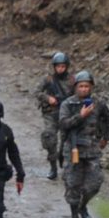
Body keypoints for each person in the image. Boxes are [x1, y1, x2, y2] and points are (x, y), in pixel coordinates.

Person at [58, 70, 109, 218]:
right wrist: (80, 116)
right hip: (73, 149)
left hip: (92, 149)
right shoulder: (68, 104)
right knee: (72, 183)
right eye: (81, 86)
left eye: (86, 86)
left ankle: (83, 206)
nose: (84, 89)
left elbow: (107, 119)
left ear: (91, 87)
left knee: (95, 183)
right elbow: (63, 124)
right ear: (76, 87)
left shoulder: (98, 104)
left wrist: (106, 137)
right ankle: (74, 215)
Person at [35, 52, 75, 180]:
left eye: (63, 66)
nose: (60, 69)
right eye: (58, 66)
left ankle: (65, 163)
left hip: (66, 115)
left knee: (66, 142)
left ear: (67, 67)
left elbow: (79, 95)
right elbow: (37, 92)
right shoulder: (49, 80)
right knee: (49, 138)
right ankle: (53, 167)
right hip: (51, 113)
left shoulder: (72, 80)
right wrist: (48, 98)